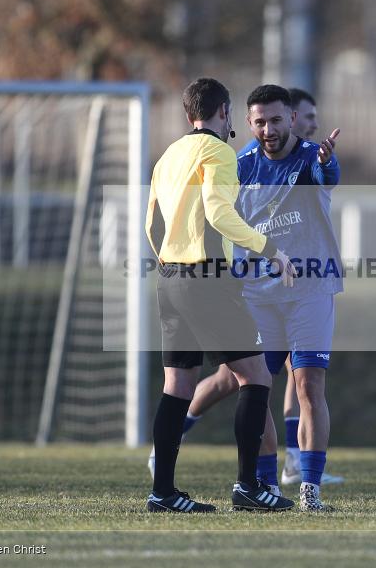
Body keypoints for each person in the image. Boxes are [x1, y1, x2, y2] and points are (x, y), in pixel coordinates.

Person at [147, 88, 345, 491]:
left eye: (275, 120)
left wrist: (327, 162)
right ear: (242, 119)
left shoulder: (310, 156)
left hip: (308, 288)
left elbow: (327, 176)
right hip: (255, 291)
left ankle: (308, 485)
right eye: (259, 122)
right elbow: (220, 216)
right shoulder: (236, 163)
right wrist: (258, 255)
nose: (268, 130)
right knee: (243, 380)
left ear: (291, 119)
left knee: (306, 382)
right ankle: (262, 482)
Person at [144, 77, 295, 513]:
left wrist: (170, 259)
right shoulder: (219, 152)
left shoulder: (169, 156)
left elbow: (151, 224)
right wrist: (270, 250)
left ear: (188, 113)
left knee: (177, 385)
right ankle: (249, 487)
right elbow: (218, 211)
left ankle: (163, 493)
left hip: (168, 278)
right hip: (205, 278)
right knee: (257, 376)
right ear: (225, 111)